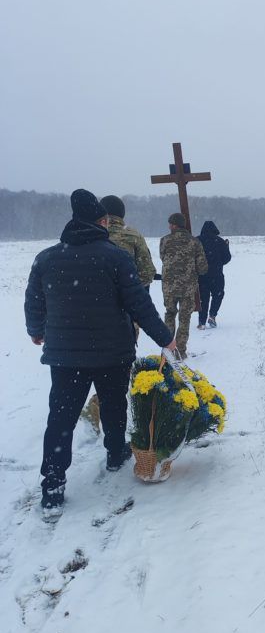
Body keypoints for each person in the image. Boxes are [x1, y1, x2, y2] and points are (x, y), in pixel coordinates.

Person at [24, 189, 176, 514]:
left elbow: (34, 301)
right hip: (112, 352)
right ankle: (114, 452)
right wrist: (165, 337)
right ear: (103, 221)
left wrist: (36, 330)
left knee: (61, 419)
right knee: (113, 405)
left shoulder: (47, 258)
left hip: (65, 358)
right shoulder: (115, 257)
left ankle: (52, 486)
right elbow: (139, 303)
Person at [159, 212, 207, 357]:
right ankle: (180, 350)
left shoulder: (164, 240)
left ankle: (168, 349)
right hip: (188, 287)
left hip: (169, 286)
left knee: (170, 314)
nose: (168, 226)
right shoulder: (195, 242)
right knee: (184, 319)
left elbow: (163, 257)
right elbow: (203, 267)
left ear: (174, 225)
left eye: (170, 224)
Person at [100, 195, 156, 286]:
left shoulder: (89, 235)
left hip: (96, 297)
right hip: (128, 296)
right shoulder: (135, 236)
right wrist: (130, 289)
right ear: (122, 213)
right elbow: (147, 272)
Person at [195, 220, 232, 330]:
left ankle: (202, 322)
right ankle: (212, 315)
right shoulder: (220, 241)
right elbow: (227, 258)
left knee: (203, 298)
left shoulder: (197, 241)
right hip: (217, 275)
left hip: (202, 276)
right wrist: (219, 261)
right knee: (218, 295)